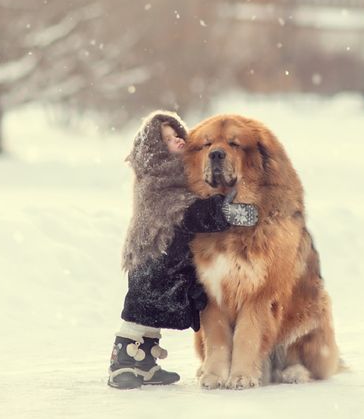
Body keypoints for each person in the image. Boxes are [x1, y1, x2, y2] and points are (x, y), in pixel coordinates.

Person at [108, 111, 258, 389]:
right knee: (139, 313)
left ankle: (146, 364)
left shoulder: (182, 175)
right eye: (167, 139)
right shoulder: (156, 180)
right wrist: (227, 212)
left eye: (178, 135)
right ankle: (122, 363)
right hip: (152, 258)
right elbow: (188, 214)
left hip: (172, 259)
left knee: (153, 317)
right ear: (154, 149)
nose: (177, 141)